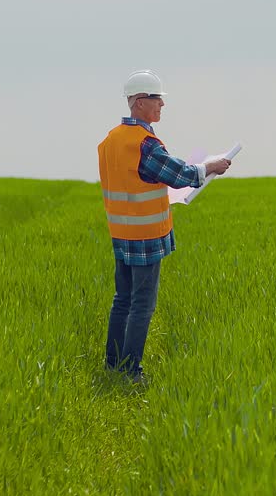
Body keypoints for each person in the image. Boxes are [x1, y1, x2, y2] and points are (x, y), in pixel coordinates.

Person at [97, 69, 232, 384]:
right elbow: (179, 174)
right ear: (140, 102)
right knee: (142, 303)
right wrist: (210, 167)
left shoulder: (109, 141)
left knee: (123, 299)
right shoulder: (144, 143)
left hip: (121, 232)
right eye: (157, 99)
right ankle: (130, 372)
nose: (162, 105)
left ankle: (113, 365)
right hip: (146, 236)